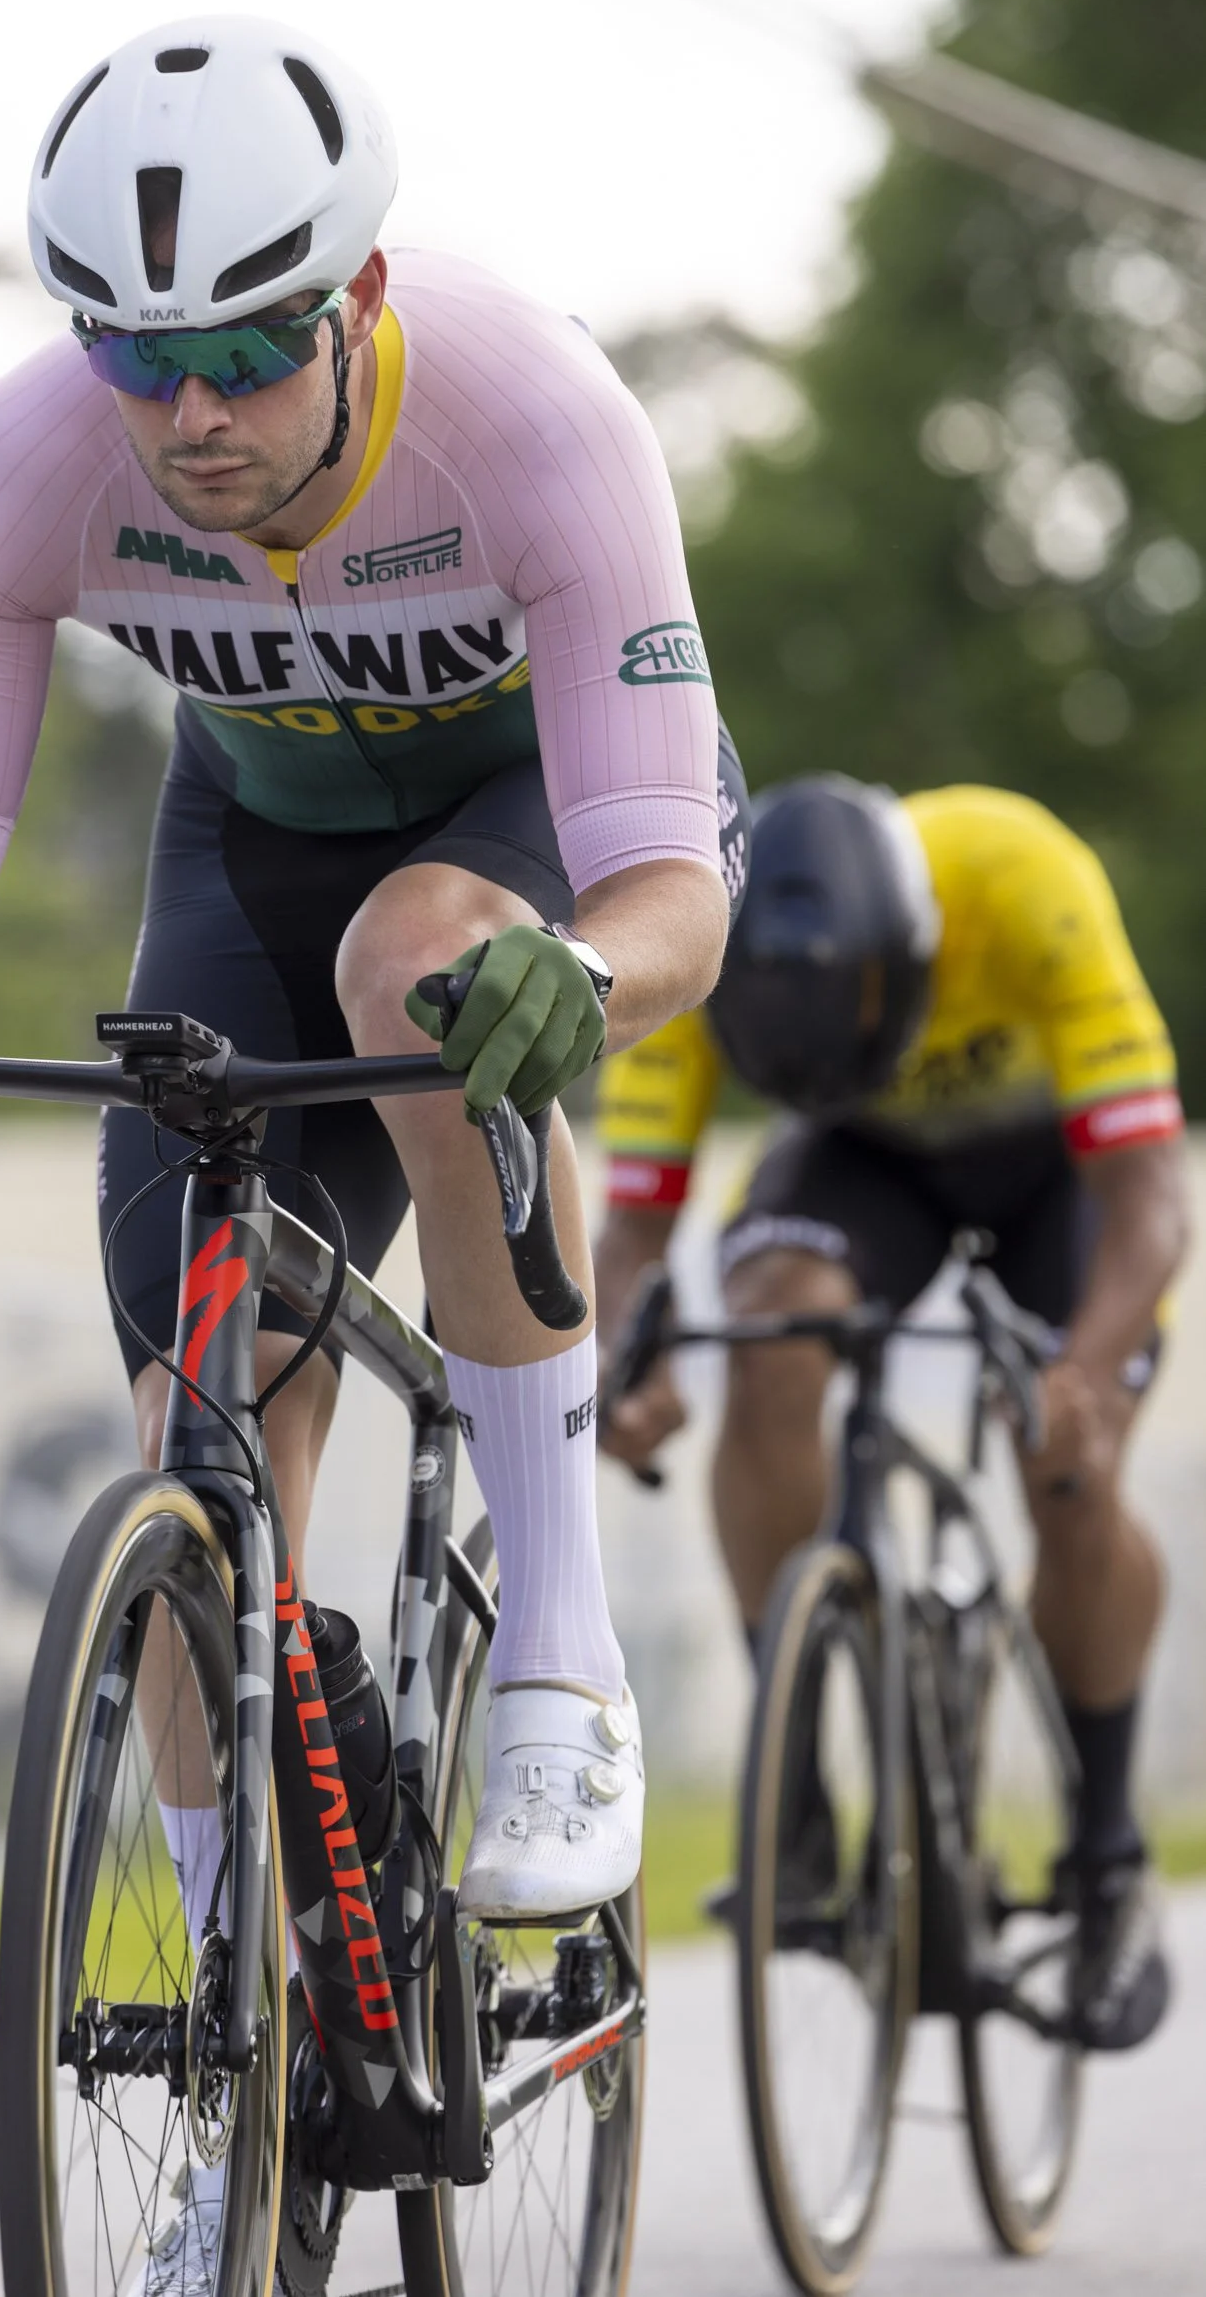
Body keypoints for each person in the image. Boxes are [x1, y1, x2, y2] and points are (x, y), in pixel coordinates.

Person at [0, 16, 751, 1923]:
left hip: (538, 818)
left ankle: (561, 1664)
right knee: (194, 1443)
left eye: (252, 352)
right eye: (132, 356)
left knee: (419, 963)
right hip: (254, 847)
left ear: (360, 300)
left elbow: (668, 882)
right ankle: (224, 2008)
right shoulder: (8, 467)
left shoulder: (537, 416)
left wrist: (582, 977)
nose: (192, 412)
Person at [593, 773, 1189, 2053]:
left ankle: (1102, 1857)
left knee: (1065, 1467)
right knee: (769, 1335)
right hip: (858, 1163)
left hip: (1056, 1174)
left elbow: (1148, 1197)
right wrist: (624, 1362)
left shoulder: (1019, 879)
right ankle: (797, 1790)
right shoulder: (688, 928)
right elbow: (631, 1236)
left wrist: (1083, 1380)